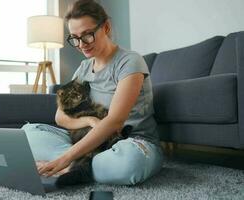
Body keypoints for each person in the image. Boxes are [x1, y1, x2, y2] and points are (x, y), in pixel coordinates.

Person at [21, 0, 163, 185]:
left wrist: (66, 157)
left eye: (88, 35)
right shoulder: (84, 68)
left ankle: (69, 164)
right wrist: (89, 121)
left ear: (106, 27)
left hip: (129, 143)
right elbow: (60, 116)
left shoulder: (130, 62)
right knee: (28, 131)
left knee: (128, 164)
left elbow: (115, 122)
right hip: (90, 140)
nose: (82, 44)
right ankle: (80, 163)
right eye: (75, 38)